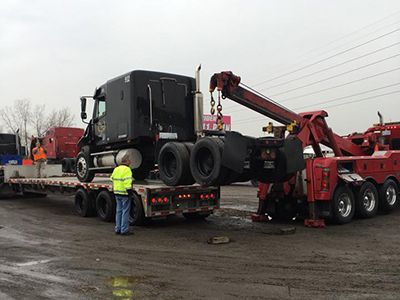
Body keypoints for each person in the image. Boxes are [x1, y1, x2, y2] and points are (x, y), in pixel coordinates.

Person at [110, 155, 133, 235]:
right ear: (126, 161)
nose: (130, 162)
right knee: (125, 212)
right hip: (124, 193)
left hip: (117, 193)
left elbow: (111, 178)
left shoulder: (116, 169)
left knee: (118, 211)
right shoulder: (127, 170)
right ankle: (124, 230)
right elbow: (127, 181)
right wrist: (130, 192)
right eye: (129, 160)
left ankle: (118, 228)